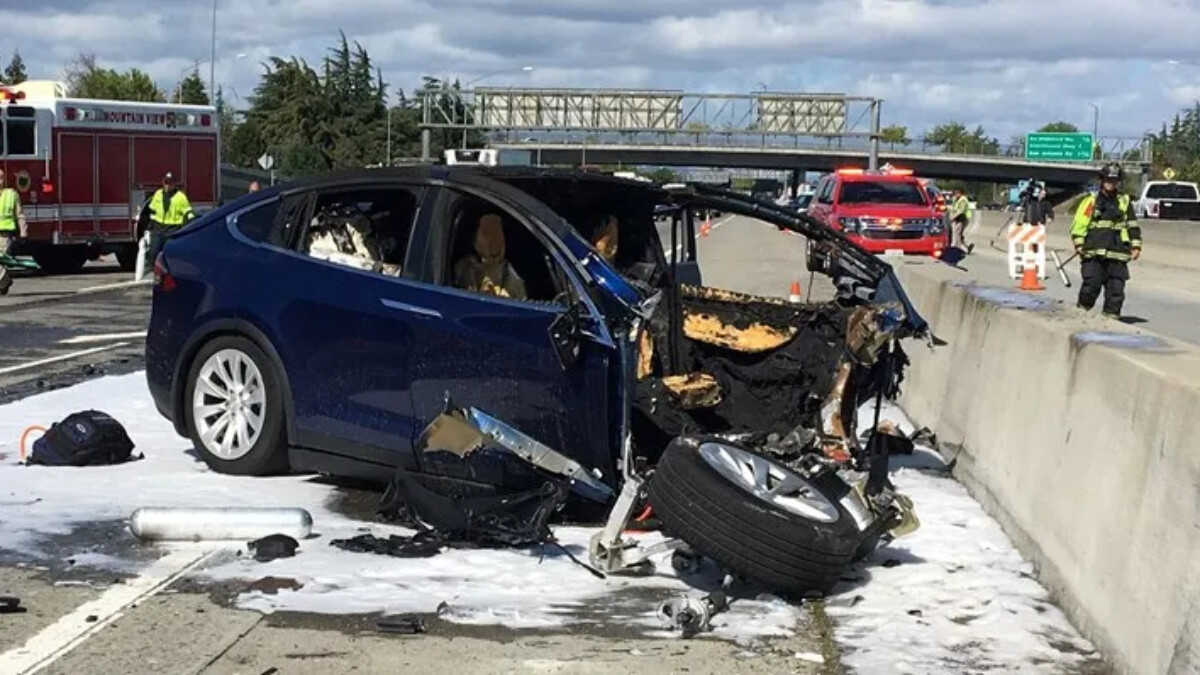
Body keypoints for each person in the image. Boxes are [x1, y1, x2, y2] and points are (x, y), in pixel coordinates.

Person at [1071, 163, 1141, 318]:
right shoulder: (1091, 201)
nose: (1111, 182)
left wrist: (1136, 245)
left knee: (1116, 292)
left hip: (1117, 253)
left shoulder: (1124, 201)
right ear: (1102, 180)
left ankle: (1110, 322)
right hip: (1093, 251)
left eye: (1114, 180)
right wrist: (1079, 243)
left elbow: (1132, 224)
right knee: (1090, 287)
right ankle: (1079, 317)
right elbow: (1079, 224)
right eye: (1108, 179)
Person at [453, 214, 526, 300]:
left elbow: (520, 301)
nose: (494, 239)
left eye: (497, 232)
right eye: (487, 232)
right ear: (474, 239)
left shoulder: (508, 271)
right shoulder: (465, 267)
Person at [145, 172, 195, 263]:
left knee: (169, 254)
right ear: (163, 183)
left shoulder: (181, 197)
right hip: (158, 228)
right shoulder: (158, 194)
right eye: (166, 182)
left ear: (174, 184)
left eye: (170, 183)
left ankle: (168, 272)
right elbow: (152, 211)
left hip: (172, 229)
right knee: (153, 252)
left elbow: (188, 213)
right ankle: (155, 270)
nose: (167, 186)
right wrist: (149, 227)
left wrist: (189, 225)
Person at [0, 169, 27, 296]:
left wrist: (23, 232)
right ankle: (4, 281)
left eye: (0, 178)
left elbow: (20, 214)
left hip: (6, 233)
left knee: (3, 259)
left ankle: (4, 281)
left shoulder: (11, 194)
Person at [949, 188, 974, 253]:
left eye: (957, 193)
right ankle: (967, 245)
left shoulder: (963, 200)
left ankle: (958, 247)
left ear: (960, 193)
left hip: (964, 218)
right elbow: (955, 208)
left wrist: (953, 216)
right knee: (958, 233)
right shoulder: (958, 199)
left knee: (957, 232)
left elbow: (961, 211)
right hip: (960, 218)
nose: (955, 194)